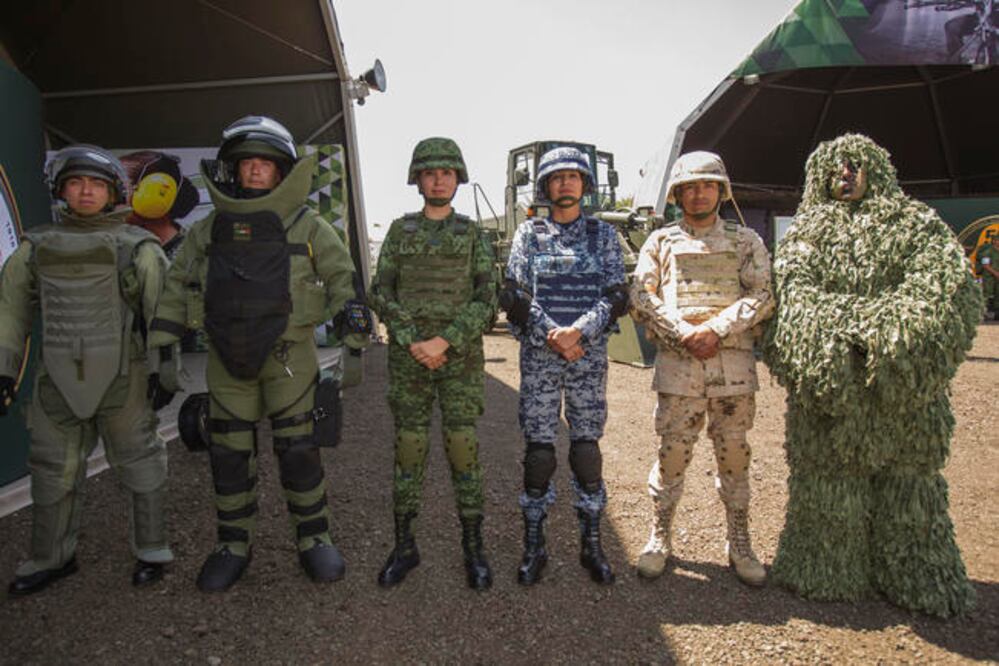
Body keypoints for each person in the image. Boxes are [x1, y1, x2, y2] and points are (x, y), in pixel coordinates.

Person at [148, 116, 369, 592]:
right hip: (227, 362)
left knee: (299, 452)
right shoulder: (209, 230)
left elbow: (342, 280)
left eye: (265, 165)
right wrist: (162, 348)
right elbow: (176, 285)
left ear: (282, 171)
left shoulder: (309, 226)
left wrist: (353, 342)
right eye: (247, 163)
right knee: (228, 457)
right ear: (232, 169)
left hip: (290, 360)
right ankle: (232, 545)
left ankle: (315, 538)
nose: (254, 172)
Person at [764, 133, 980, 617]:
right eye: (834, 167)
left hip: (903, 401)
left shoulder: (915, 224)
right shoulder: (805, 235)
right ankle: (825, 570)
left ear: (877, 170)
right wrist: (840, 345)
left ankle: (915, 573)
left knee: (911, 487)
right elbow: (794, 298)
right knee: (827, 487)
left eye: (855, 165)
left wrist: (881, 339)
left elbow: (943, 289)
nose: (844, 174)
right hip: (830, 401)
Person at [0, 145, 174, 596]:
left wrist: (164, 370)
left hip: (124, 379)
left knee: (141, 464)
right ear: (61, 190)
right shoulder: (34, 250)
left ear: (114, 192)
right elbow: (10, 314)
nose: (85, 192)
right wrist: (3, 369)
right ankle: (50, 557)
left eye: (96, 184)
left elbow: (164, 311)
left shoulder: (139, 248)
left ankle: (153, 549)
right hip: (55, 379)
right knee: (51, 468)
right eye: (75, 183)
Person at [630, 151, 773, 586]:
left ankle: (740, 542)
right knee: (672, 455)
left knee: (734, 457)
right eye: (689, 187)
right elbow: (640, 296)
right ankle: (659, 537)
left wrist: (714, 328)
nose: (698, 193)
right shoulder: (660, 242)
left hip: (731, 370)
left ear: (721, 191)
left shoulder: (746, 241)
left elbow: (764, 295)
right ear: (677, 194)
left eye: (707, 185)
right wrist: (683, 332)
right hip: (679, 369)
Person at [368, 137, 497, 590]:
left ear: (457, 178)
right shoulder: (400, 234)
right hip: (410, 361)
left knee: (463, 449)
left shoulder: (474, 236)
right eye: (430, 172)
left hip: (458, 360)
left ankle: (474, 549)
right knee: (408, 450)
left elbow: (487, 299)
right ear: (417, 179)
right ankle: (404, 548)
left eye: (446, 172)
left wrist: (445, 340)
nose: (438, 179)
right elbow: (380, 292)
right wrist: (412, 339)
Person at [499, 146, 627, 586]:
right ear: (546, 186)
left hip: (586, 360)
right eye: (557, 178)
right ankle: (534, 546)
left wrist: (580, 334)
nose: (565, 184)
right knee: (539, 453)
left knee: (586, 451)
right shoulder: (529, 235)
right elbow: (513, 295)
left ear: (585, 185)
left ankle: (592, 545)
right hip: (541, 357)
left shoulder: (603, 236)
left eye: (574, 177)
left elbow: (616, 296)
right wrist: (555, 334)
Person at [976, 234, 999, 319]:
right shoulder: (987, 251)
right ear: (993, 241)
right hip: (989, 277)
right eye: (996, 240)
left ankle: (997, 314)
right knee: (987, 294)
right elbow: (985, 265)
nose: (998, 242)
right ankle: (982, 313)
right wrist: (995, 273)